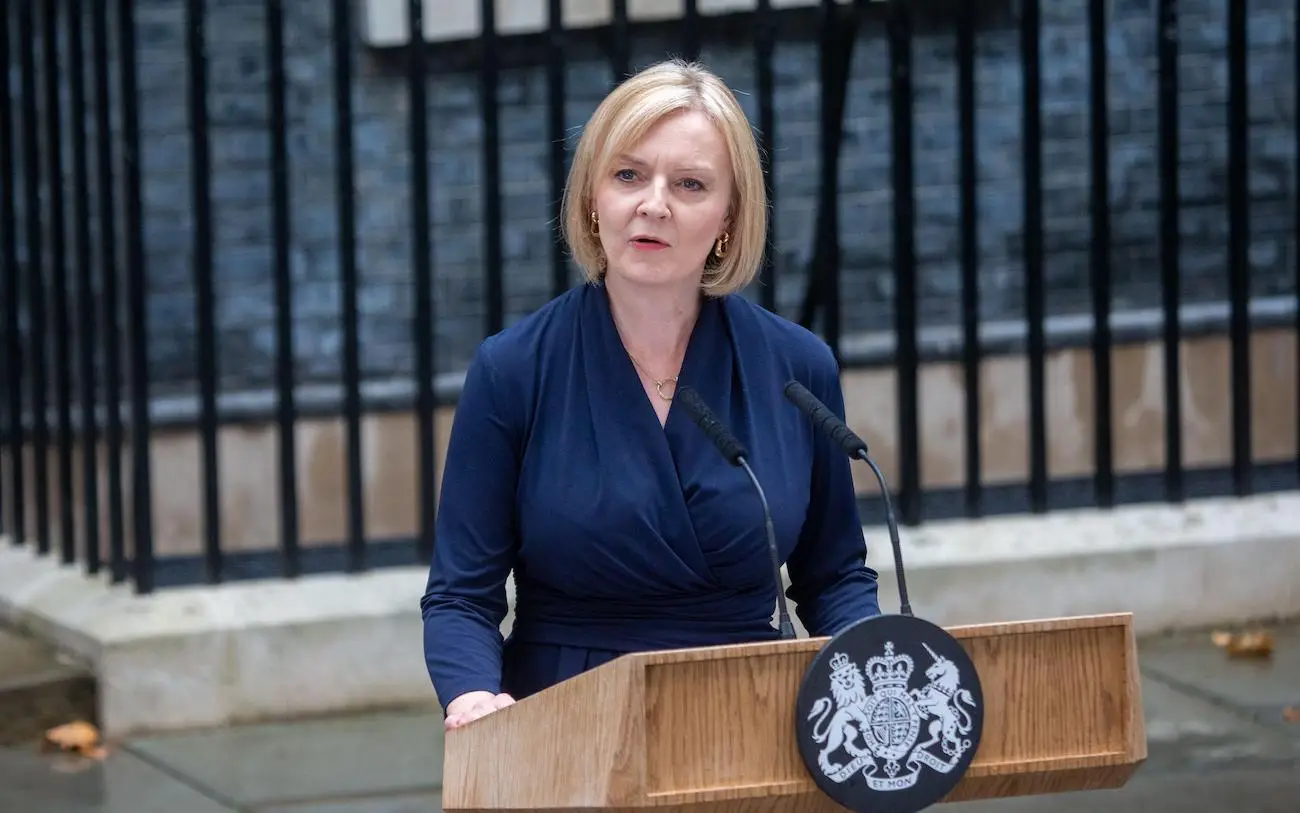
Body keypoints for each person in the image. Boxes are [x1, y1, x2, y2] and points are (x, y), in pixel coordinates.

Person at [420, 58, 881, 731]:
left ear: (728, 217)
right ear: (591, 197)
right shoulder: (513, 369)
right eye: (628, 174)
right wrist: (472, 698)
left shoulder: (797, 367)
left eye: (690, 184)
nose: (653, 204)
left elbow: (834, 576)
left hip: (749, 713)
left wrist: (874, 673)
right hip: (565, 715)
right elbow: (462, 594)